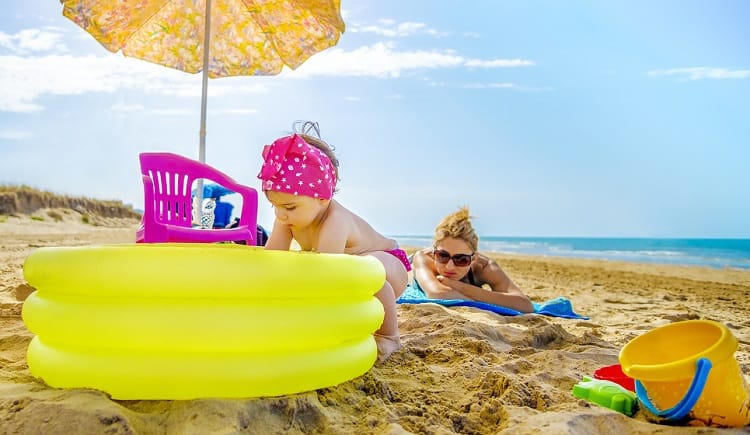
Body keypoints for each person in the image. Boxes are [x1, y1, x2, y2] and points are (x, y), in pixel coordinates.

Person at [257, 121, 410, 362]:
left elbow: (324, 275)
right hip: (348, 266)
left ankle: (389, 336)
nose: (280, 214)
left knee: (364, 270)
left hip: (389, 264)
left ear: (322, 198)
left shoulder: (335, 222)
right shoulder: (286, 218)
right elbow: (272, 258)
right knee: (349, 272)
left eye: (289, 206)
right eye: (274, 205)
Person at [410, 207, 534, 313]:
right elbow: (438, 294)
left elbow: (525, 306)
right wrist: (490, 300)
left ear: (474, 258)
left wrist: (457, 286)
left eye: (461, 259)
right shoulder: (423, 257)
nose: (450, 266)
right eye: (442, 256)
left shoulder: (485, 266)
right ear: (434, 252)